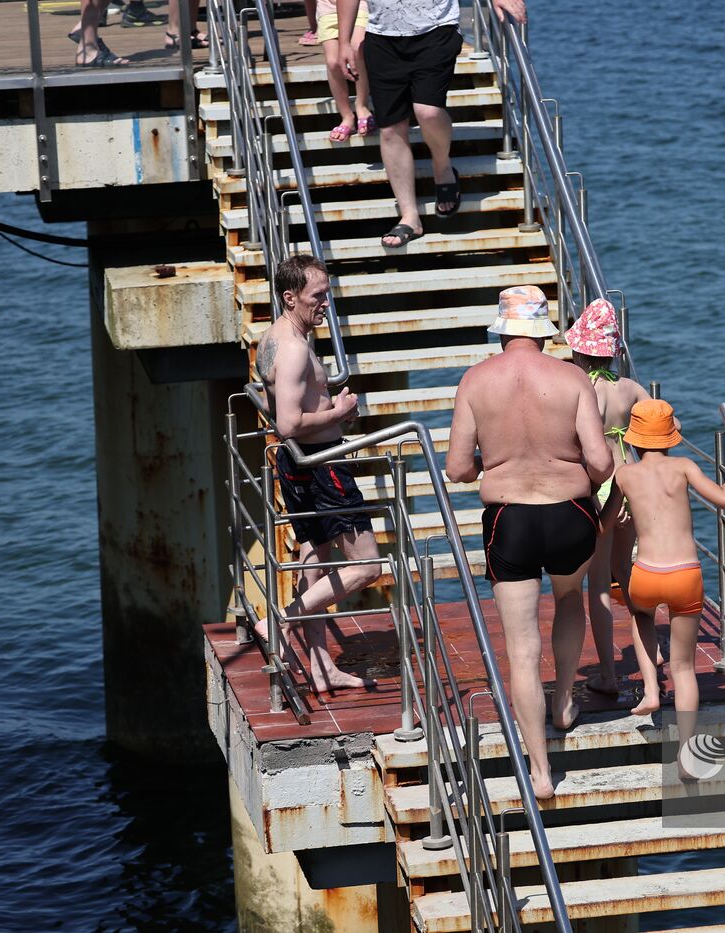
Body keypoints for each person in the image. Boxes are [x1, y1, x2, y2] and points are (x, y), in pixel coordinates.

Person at [445, 285, 615, 799]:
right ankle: (564, 701)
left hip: (509, 522)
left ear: (502, 331)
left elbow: (457, 469)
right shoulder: (571, 378)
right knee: (567, 600)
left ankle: (540, 773)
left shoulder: (476, 381)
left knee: (522, 650)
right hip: (570, 514)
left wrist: (494, 463)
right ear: (542, 332)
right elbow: (603, 462)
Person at [252, 255, 380, 695]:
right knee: (367, 566)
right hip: (322, 461)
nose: (326, 304)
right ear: (291, 297)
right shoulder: (292, 349)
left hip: (297, 462)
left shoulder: (272, 337)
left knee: (316, 554)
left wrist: (324, 408)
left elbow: (270, 405)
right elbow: (287, 422)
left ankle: (322, 664)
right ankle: (281, 620)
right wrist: (339, 411)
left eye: (327, 294)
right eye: (317, 296)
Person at [606, 400, 725, 772]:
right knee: (685, 667)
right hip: (685, 574)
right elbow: (724, 499)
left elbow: (604, 524)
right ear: (670, 439)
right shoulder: (684, 466)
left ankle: (652, 690)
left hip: (646, 573)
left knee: (640, 617)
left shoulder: (624, 475)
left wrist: (623, 519)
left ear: (635, 441)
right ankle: (689, 755)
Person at [335, 0, 527, 247]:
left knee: (427, 111)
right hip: (382, 35)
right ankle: (409, 216)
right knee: (391, 126)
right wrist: (344, 42)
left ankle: (442, 166)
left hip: (437, 29)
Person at [562, 299, 651, 697]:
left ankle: (609, 676)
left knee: (598, 585)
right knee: (628, 575)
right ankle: (652, 652)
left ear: (580, 350)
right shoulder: (628, 388)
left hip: (598, 490)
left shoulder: (582, 387)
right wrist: (628, 431)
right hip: (631, 485)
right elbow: (672, 421)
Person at [316, 0, 375, 141]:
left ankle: (362, 105)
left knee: (357, 48)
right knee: (333, 62)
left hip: (359, 4)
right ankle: (346, 115)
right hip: (327, 7)